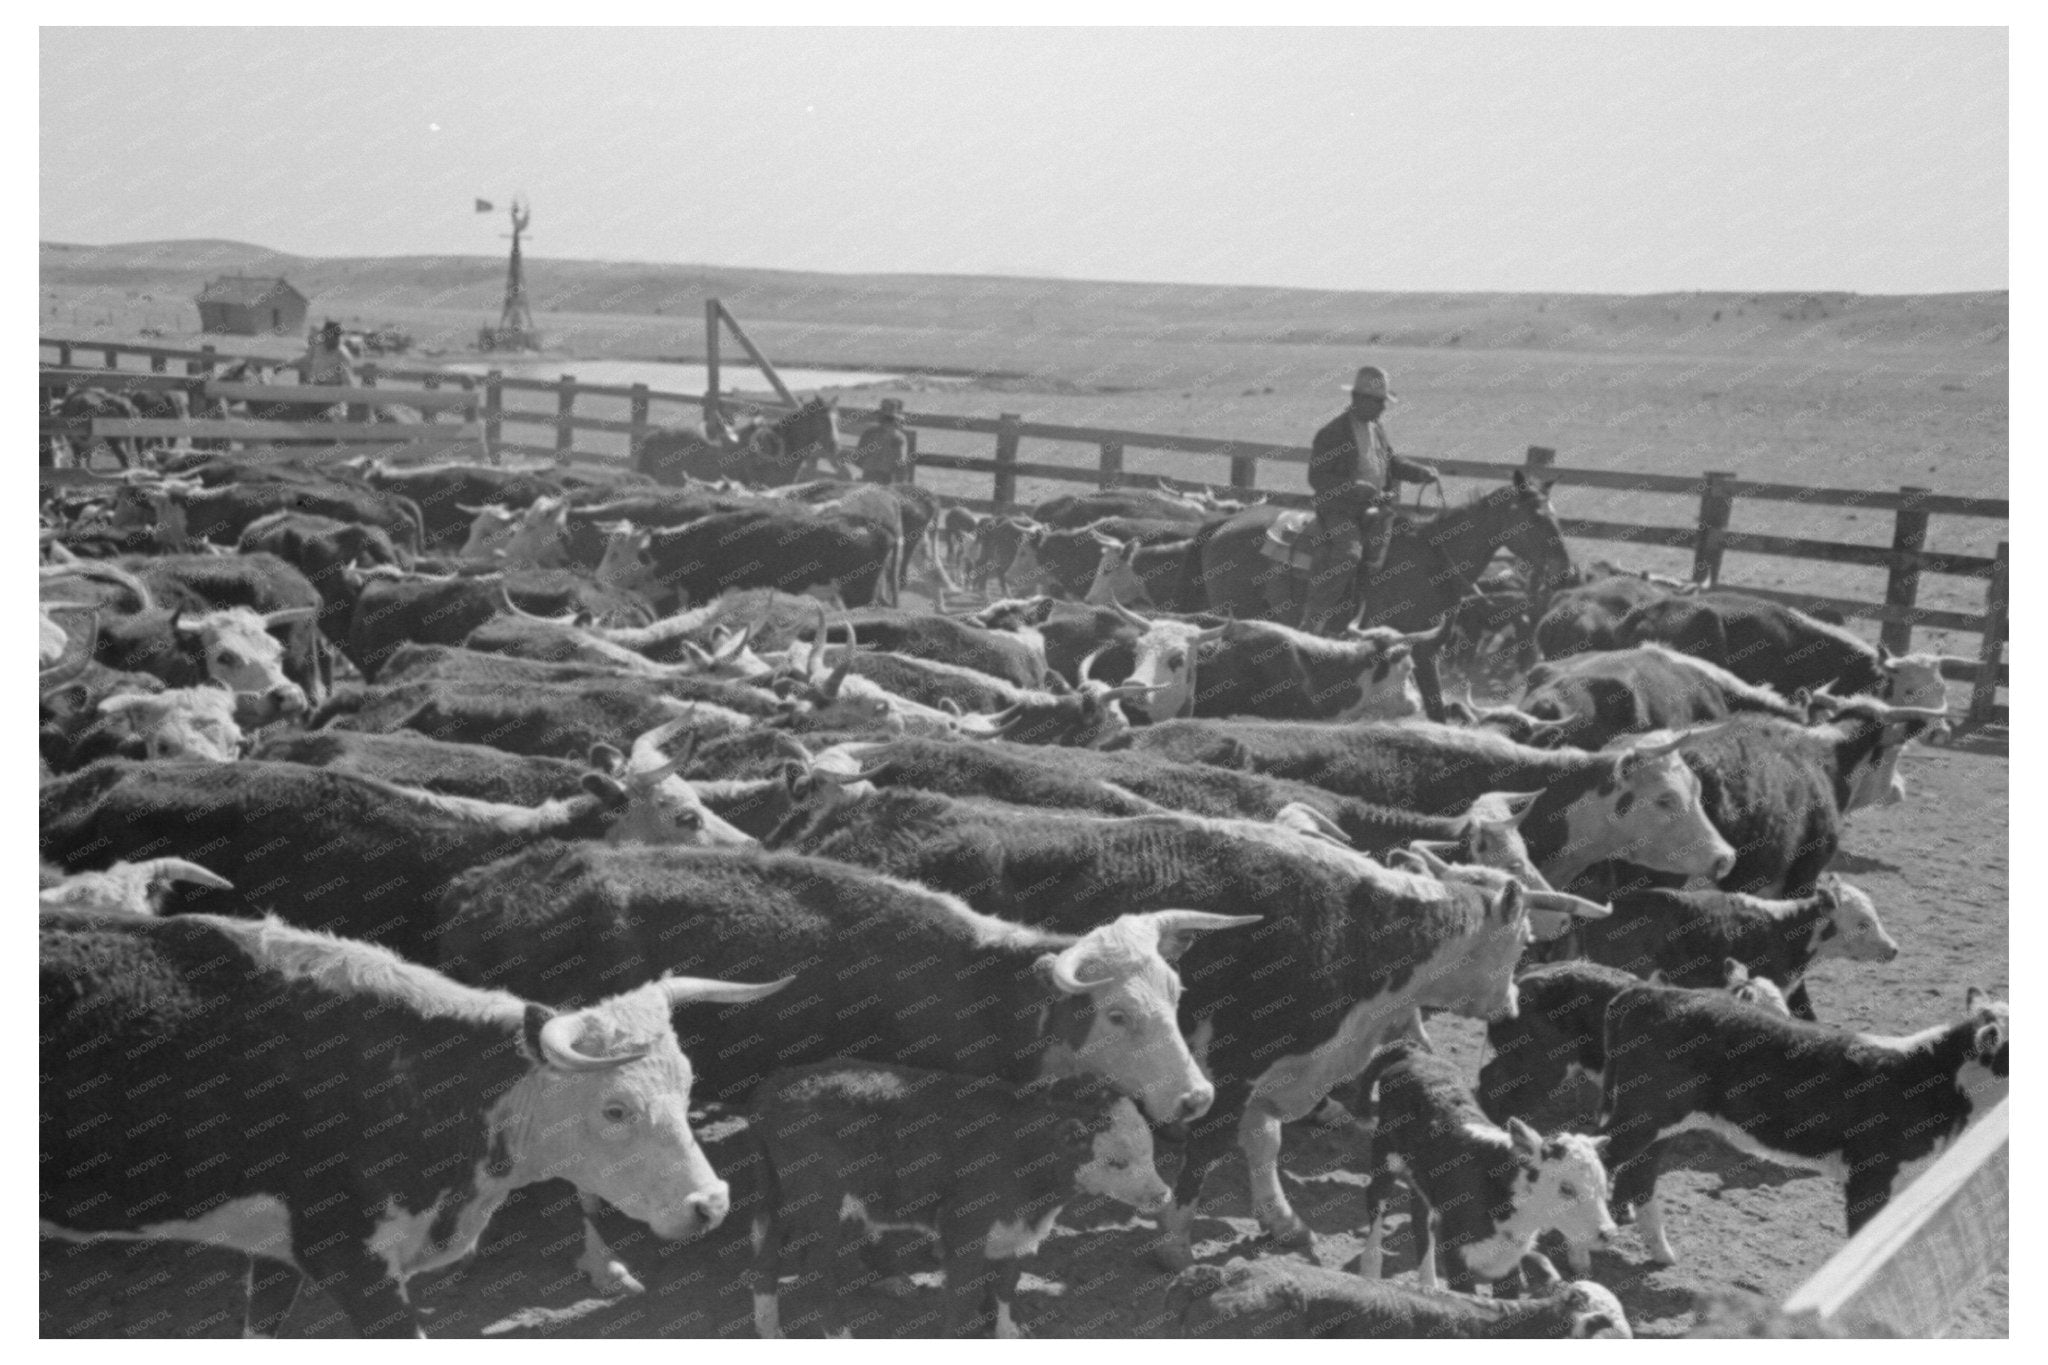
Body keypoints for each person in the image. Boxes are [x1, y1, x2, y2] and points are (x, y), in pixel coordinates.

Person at [1299, 365, 1440, 634]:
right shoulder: (1332, 433)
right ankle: (1314, 619)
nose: (1383, 407)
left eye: (1383, 402)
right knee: (1348, 555)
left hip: (1377, 510)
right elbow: (1317, 477)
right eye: (1378, 401)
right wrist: (1353, 488)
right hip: (1340, 510)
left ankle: (1370, 617)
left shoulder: (1377, 428)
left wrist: (1418, 472)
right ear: (1358, 399)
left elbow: (1391, 462)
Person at [853, 397, 912, 485]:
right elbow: (901, 465)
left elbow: (858, 459)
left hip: (868, 477)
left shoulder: (868, 433)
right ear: (897, 420)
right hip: (887, 480)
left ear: (880, 418)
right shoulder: (899, 437)